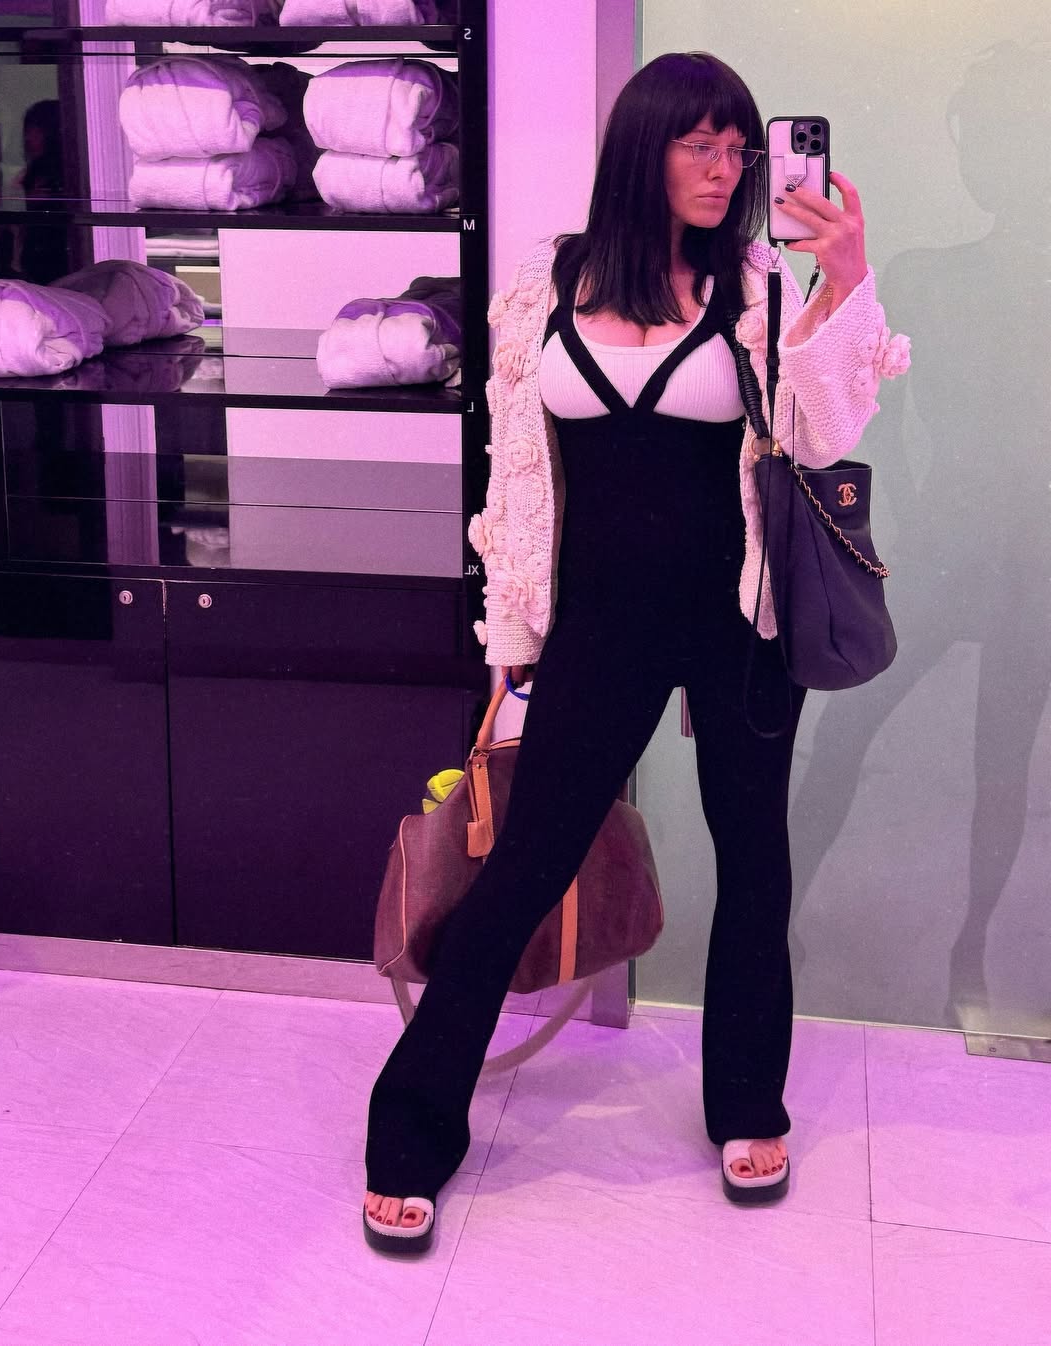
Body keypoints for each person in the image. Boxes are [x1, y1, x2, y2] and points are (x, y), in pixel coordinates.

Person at [362, 50, 910, 1254]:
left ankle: (747, 1105)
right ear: (642, 147)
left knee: (753, 863)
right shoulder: (544, 287)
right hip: (600, 623)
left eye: (739, 149)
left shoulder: (758, 283)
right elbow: (516, 479)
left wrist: (844, 279)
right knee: (524, 863)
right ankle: (410, 1126)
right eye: (700, 144)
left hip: (739, 619)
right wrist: (513, 640)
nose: (726, 169)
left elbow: (825, 434)